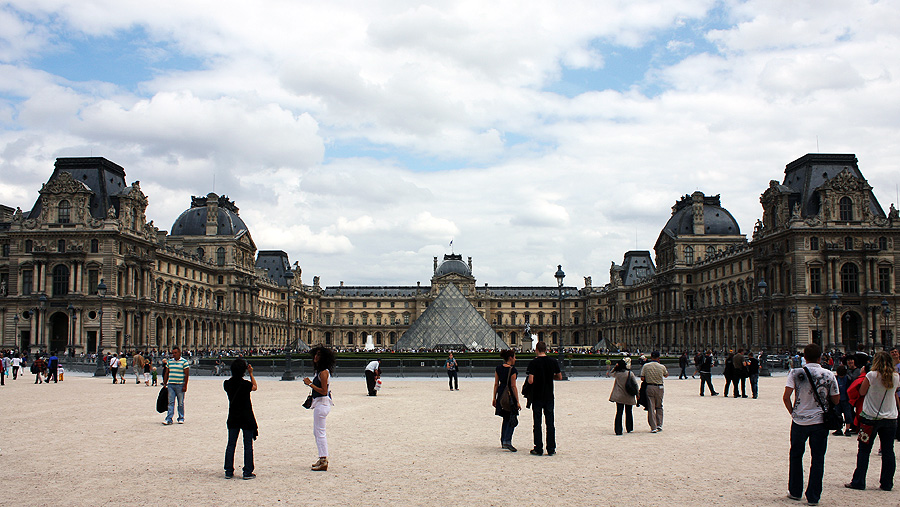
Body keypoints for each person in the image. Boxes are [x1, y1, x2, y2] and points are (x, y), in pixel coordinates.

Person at [783, 343, 839, 505]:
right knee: (818, 458)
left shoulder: (796, 372)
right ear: (821, 357)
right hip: (820, 422)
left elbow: (786, 397)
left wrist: (793, 412)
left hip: (799, 421)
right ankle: (813, 497)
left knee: (796, 456)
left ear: (804, 357)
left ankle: (795, 491)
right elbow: (836, 399)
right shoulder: (828, 374)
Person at [844, 351, 898, 491]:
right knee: (888, 451)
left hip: (870, 418)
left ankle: (859, 481)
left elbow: (862, 392)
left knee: (863, 451)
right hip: (890, 418)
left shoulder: (871, 375)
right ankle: (887, 483)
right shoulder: (896, 377)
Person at [223, 358, 258, 479]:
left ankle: (228, 471)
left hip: (233, 416)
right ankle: (247, 471)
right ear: (243, 371)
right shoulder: (245, 384)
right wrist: (251, 373)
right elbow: (255, 386)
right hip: (246, 416)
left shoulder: (226, 384)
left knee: (231, 444)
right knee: (248, 445)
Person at [304, 346, 336, 471]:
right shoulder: (321, 371)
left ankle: (323, 460)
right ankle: (322, 458)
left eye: (318, 355)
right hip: (320, 404)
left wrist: (310, 384)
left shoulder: (323, 372)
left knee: (320, 433)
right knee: (317, 432)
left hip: (322, 405)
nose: (315, 357)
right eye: (315, 355)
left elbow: (323, 391)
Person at [526, 341, 561, 456]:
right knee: (550, 423)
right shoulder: (553, 361)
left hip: (537, 396)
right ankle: (551, 448)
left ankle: (538, 448)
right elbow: (559, 377)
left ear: (536, 349)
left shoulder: (534, 363)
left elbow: (531, 380)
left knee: (537, 423)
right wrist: (550, 376)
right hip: (549, 396)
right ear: (546, 349)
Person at [492, 349, 520, 451]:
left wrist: (494, 398)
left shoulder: (498, 368)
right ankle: (507, 441)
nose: (515, 359)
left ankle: (503, 440)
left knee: (505, 418)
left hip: (501, 395)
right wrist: (517, 401)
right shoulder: (513, 370)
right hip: (509, 396)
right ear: (510, 358)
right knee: (512, 418)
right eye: (515, 357)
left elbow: (496, 384)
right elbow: (513, 386)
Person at [640, 351, 668, 433]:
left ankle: (653, 427)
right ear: (658, 358)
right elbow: (666, 375)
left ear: (651, 357)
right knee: (659, 406)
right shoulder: (662, 367)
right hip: (659, 387)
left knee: (651, 407)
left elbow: (642, 378)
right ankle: (659, 424)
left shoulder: (646, 366)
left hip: (650, 386)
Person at [162, 346, 190, 425]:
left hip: (180, 385)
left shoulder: (184, 362)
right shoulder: (169, 362)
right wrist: (165, 382)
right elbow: (167, 373)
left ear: (179, 353)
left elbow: (186, 375)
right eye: (172, 353)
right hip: (171, 384)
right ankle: (169, 419)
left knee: (180, 403)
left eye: (175, 353)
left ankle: (181, 417)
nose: (174, 354)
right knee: (171, 402)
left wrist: (185, 385)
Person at [609, 360, 636, 435]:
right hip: (628, 395)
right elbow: (635, 384)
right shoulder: (630, 373)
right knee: (629, 412)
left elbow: (610, 373)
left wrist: (615, 367)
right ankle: (629, 428)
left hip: (619, 395)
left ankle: (618, 430)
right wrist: (637, 394)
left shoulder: (617, 374)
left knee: (619, 412)